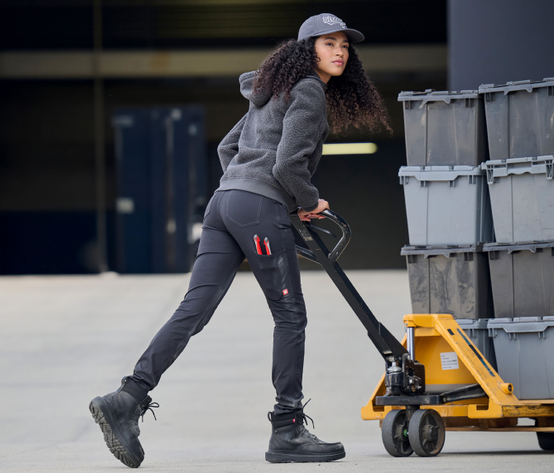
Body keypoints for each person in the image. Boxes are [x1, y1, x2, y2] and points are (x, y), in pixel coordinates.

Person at [89, 13, 391, 468]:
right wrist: (307, 201)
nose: (340, 52)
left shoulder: (269, 91)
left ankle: (127, 398)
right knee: (290, 315)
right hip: (257, 209)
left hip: (223, 204)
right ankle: (287, 428)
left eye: (344, 45)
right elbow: (289, 165)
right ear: (308, 49)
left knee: (193, 310)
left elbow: (227, 149)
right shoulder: (308, 90)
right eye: (329, 43)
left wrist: (246, 187)